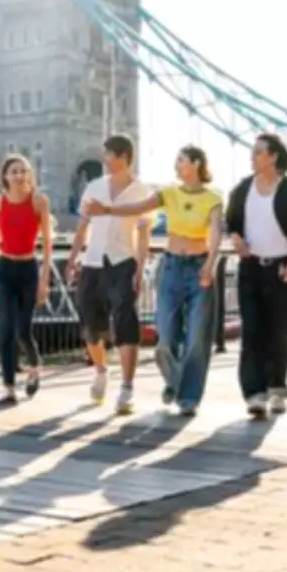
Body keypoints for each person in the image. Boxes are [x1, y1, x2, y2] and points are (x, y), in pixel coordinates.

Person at [84, 145, 222, 417]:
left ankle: (188, 398)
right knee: (165, 338)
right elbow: (138, 208)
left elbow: (216, 232)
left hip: (199, 267)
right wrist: (107, 209)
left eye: (181, 159)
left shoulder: (213, 198)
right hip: (171, 267)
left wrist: (210, 264)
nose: (176, 164)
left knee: (197, 338)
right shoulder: (168, 193)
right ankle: (174, 381)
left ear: (196, 164)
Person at [226, 133, 287, 418]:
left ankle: (277, 389)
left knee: (278, 332)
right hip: (250, 268)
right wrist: (236, 240)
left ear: (273, 156)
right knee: (251, 331)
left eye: (257, 152)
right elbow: (232, 223)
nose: (252, 156)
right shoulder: (243, 189)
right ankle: (254, 394)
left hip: (281, 270)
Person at [65, 134, 152, 415]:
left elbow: (144, 233)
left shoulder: (142, 192)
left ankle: (127, 388)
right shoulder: (93, 187)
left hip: (123, 261)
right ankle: (101, 370)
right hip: (92, 262)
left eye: (109, 155)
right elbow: (83, 227)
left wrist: (140, 267)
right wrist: (72, 259)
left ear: (124, 157)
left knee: (126, 322)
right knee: (90, 326)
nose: (104, 159)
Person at [0, 154, 52, 408]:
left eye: (23, 171)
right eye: (14, 171)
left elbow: (47, 244)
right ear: (5, 176)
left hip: (28, 269)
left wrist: (44, 281)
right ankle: (9, 388)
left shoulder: (39, 201)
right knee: (5, 329)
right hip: (4, 269)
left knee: (23, 330)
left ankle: (34, 366)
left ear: (29, 174)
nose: (19, 175)